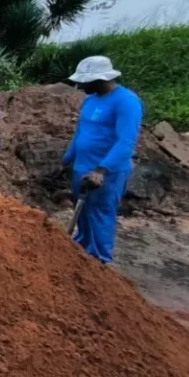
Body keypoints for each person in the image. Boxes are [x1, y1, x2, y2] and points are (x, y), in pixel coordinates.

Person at [63, 55, 142, 264]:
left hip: (106, 173)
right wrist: (68, 157)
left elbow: (126, 142)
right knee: (83, 214)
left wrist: (102, 170)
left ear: (99, 79)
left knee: (100, 215)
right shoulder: (90, 100)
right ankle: (82, 252)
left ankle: (99, 261)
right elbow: (81, 132)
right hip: (82, 167)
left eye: (83, 82)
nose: (79, 86)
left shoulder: (126, 102)